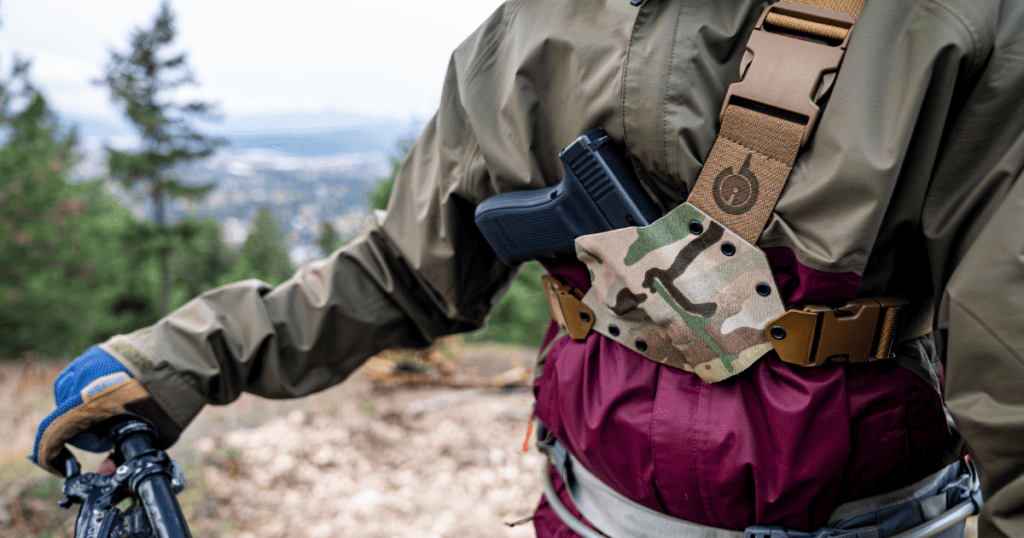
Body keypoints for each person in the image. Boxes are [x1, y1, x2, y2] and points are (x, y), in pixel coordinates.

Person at [32, 0, 1024, 536]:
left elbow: (1007, 340)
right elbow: (402, 269)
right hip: (587, 507)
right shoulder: (536, 25)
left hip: (872, 517)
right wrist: (179, 359)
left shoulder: (949, 19)